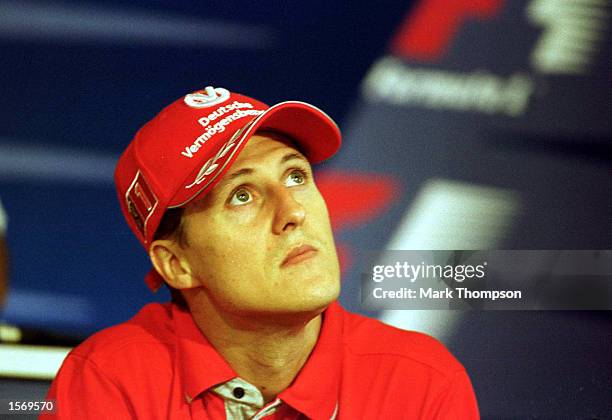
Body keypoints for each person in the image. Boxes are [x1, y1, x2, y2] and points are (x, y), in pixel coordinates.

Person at [44, 87, 479, 419]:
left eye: (295, 176)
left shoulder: (422, 382)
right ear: (177, 264)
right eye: (242, 195)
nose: (292, 212)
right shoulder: (108, 383)